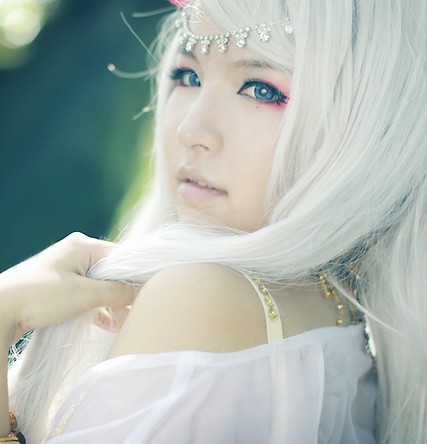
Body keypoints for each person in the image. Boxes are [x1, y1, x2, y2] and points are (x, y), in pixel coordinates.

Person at [1, 0, 426, 442]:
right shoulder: (339, 310)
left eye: (260, 90)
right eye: (189, 77)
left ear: (359, 120)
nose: (191, 130)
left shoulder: (201, 294)